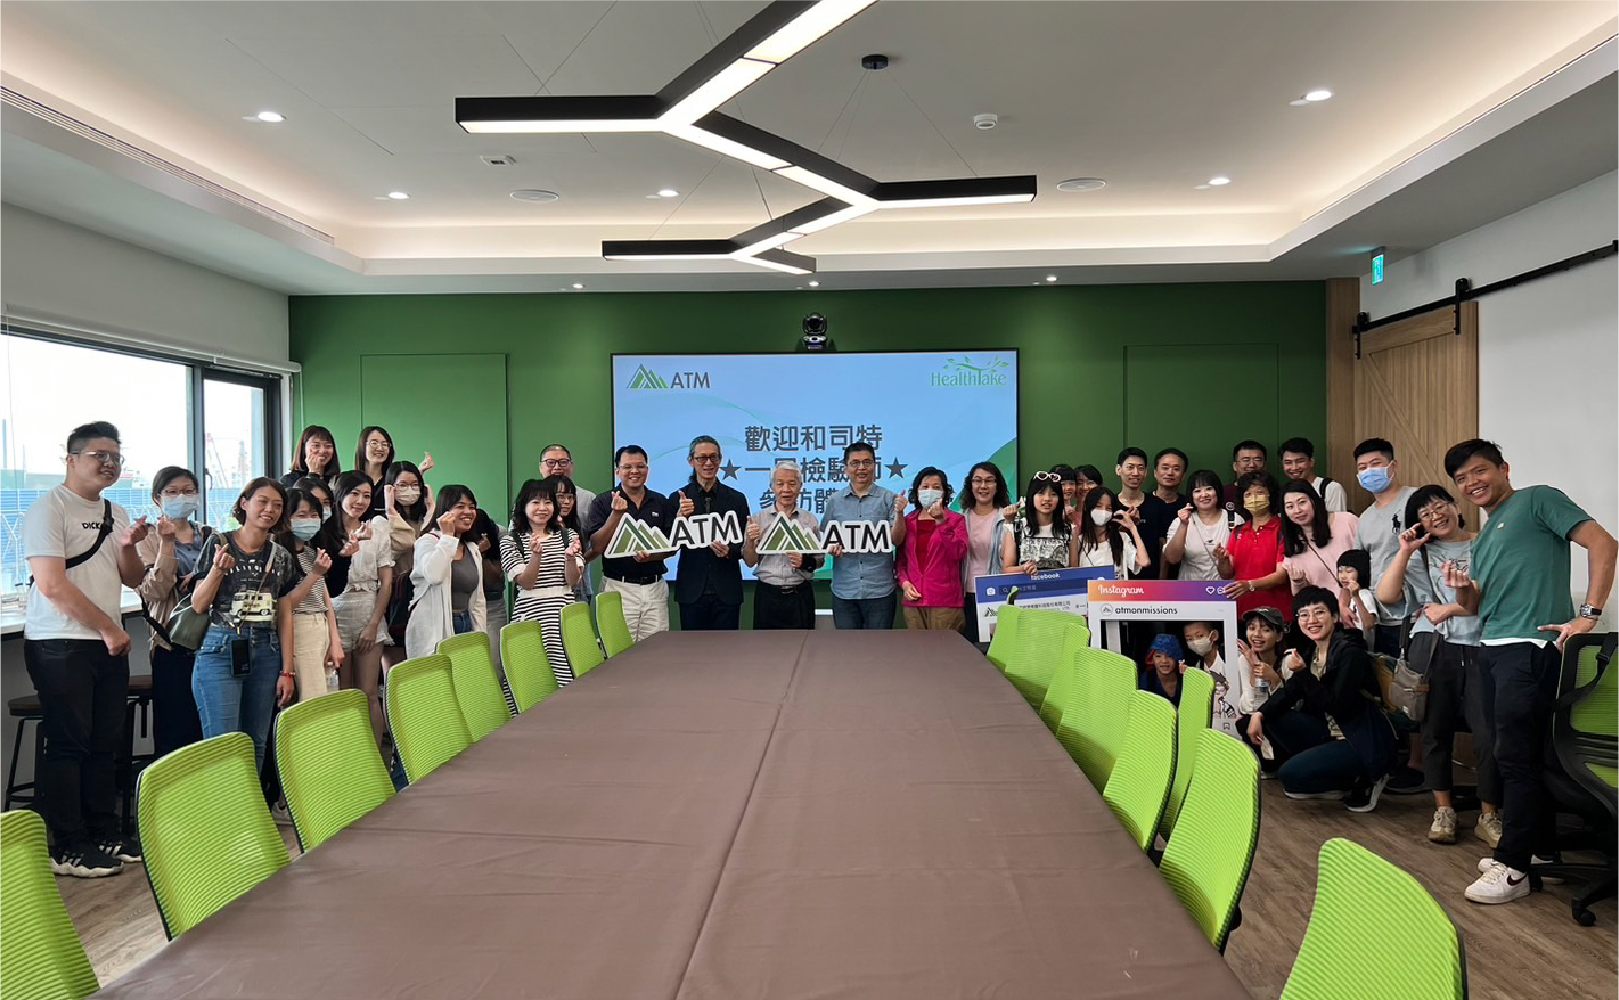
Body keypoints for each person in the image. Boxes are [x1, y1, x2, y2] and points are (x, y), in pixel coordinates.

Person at [1442, 439, 1617, 904]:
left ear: (1504, 468)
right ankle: (1538, 849)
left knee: (1516, 757)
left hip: (1529, 646)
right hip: (1492, 647)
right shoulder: (1484, 536)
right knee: (1516, 755)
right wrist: (1461, 590)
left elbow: (1604, 543)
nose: (1471, 483)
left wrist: (1589, 615)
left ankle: (1514, 867)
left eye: (1479, 471)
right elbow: (1475, 607)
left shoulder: (1538, 499)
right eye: (1461, 479)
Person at [23, 421, 147, 876]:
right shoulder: (48, 509)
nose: (109, 463)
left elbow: (133, 578)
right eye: (99, 455)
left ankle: (104, 832)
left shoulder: (116, 512)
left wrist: (129, 546)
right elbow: (52, 585)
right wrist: (108, 629)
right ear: (71, 460)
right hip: (60, 643)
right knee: (68, 744)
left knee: (103, 743)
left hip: (106, 642)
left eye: (116, 457)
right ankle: (67, 845)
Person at [1376, 485, 1499, 848]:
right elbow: (1386, 596)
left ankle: (1489, 814)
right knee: (1435, 730)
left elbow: (1493, 594)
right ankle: (1444, 810)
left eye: (1439, 506)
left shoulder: (1485, 543)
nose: (1436, 516)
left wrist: (1450, 609)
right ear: (1419, 525)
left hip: (1482, 647)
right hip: (1436, 650)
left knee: (1488, 734)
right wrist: (1405, 551)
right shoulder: (1422, 555)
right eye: (1425, 514)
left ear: (1455, 506)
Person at [190, 478, 324, 773]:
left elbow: (285, 612)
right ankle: (223, 803)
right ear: (244, 503)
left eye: (277, 505)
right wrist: (217, 571)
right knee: (222, 745)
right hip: (221, 648)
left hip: (266, 651)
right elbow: (199, 605)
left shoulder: (281, 556)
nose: (269, 510)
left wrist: (287, 670)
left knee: (256, 743)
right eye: (262, 501)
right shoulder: (219, 544)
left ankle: (251, 802)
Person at [1244, 586, 1396, 812]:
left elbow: (1336, 705)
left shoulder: (1350, 653)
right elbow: (1290, 692)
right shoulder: (1311, 652)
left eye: (1319, 612)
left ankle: (1367, 773)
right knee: (1272, 718)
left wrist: (1303, 673)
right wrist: (1259, 714)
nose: (1311, 620)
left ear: (1334, 617)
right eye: (1304, 615)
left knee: (1290, 776)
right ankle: (1337, 777)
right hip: (1329, 731)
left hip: (1358, 737)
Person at [134, 466, 207, 760]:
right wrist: (166, 545)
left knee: (207, 727)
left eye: (188, 491)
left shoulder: (210, 535)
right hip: (170, 642)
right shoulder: (148, 539)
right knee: (175, 730)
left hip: (211, 642)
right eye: (173, 492)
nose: (182, 497)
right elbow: (153, 591)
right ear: (157, 498)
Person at [320, 472, 392, 747]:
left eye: (366, 496)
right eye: (354, 494)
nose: (360, 501)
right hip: (334, 613)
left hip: (368, 611)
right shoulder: (324, 532)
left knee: (369, 693)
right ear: (340, 494)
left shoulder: (376, 531)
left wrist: (373, 624)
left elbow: (386, 583)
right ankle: (348, 754)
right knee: (342, 693)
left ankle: (374, 756)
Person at [586, 446, 676, 641]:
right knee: (619, 650)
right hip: (618, 587)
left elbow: (672, 547)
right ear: (617, 471)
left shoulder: (660, 501)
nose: (634, 471)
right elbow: (597, 546)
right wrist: (615, 515)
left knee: (657, 648)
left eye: (640, 466)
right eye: (627, 467)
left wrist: (651, 556)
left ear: (647, 470)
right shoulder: (603, 502)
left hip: (655, 588)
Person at [502, 478, 584, 684]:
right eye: (535, 502)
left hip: (564, 616)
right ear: (523, 506)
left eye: (548, 502)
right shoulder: (511, 540)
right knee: (533, 679)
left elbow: (573, 580)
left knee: (569, 675)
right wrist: (536, 556)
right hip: (531, 615)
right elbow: (526, 583)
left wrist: (570, 558)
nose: (542, 508)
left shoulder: (568, 535)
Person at [822, 441, 908, 630]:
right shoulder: (834, 501)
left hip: (880, 590)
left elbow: (897, 540)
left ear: (874, 466)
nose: (861, 468)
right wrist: (832, 548)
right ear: (845, 468)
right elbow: (826, 537)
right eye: (855, 463)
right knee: (847, 646)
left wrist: (899, 513)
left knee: (879, 646)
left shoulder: (888, 498)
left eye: (867, 462)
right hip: (844, 590)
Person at [670, 436, 749, 631]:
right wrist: (679, 518)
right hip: (691, 590)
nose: (708, 463)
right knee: (693, 648)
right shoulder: (678, 498)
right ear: (691, 461)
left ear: (720, 460)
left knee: (728, 647)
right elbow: (668, 545)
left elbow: (746, 545)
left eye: (714, 457)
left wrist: (730, 551)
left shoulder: (736, 499)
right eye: (702, 458)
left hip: (727, 591)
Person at [1351, 438, 1420, 659]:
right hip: (1380, 618)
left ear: (1393, 466)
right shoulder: (1365, 518)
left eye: (1376, 464)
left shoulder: (1416, 500)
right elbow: (1360, 566)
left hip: (1417, 614)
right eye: (1362, 467)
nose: (1369, 471)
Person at [279, 488, 343, 703]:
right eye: (302, 515)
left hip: (321, 625)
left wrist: (335, 640)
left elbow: (326, 601)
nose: (309, 520)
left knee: (328, 696)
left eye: (314, 515)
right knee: (311, 700)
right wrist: (315, 574)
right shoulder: (281, 555)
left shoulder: (312, 552)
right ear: (287, 520)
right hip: (300, 626)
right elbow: (286, 605)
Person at [406, 485, 487, 657]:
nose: (468, 512)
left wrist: (480, 634)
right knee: (439, 673)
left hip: (466, 623)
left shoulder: (471, 548)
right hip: (434, 628)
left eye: (472, 507)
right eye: (460, 506)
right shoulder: (427, 542)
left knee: (466, 673)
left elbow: (478, 600)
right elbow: (434, 576)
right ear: (444, 511)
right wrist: (447, 537)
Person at [744, 462, 823, 630]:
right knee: (765, 645)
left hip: (800, 595)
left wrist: (805, 561)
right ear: (772, 487)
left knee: (803, 643)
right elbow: (749, 562)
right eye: (780, 484)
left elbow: (820, 560)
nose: (786, 489)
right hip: (767, 595)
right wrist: (750, 541)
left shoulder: (810, 520)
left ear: (800, 487)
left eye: (792, 483)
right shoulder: (758, 520)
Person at [895, 467, 969, 632]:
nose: (930, 491)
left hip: (945, 602)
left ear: (944, 493)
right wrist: (905, 584)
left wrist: (942, 523)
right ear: (917, 491)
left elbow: (959, 553)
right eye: (925, 487)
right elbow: (901, 560)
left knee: (944, 648)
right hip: (913, 602)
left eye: (936, 487)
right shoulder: (908, 521)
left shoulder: (956, 520)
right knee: (917, 648)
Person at [1218, 472, 1290, 621]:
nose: (1254, 498)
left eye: (1260, 493)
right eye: (1248, 494)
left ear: (1271, 496)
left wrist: (1250, 585)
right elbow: (1227, 573)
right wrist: (1222, 560)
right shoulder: (1238, 531)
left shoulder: (1283, 529)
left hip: (1277, 614)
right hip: (1244, 613)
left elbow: (1281, 576)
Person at [380, 460, 432, 667]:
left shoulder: (424, 518)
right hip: (396, 599)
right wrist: (390, 510)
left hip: (425, 598)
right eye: (402, 485)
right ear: (390, 488)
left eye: (414, 484)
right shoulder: (382, 521)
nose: (409, 490)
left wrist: (431, 510)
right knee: (397, 666)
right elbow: (409, 542)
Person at [959, 461, 1016, 641]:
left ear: (997, 486)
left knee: (995, 647)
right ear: (970, 485)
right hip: (965, 594)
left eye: (989, 481)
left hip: (996, 594)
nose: (983, 486)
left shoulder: (1008, 517)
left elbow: (1009, 557)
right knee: (969, 648)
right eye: (977, 481)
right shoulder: (960, 518)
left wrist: (1010, 523)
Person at [1277, 481, 1361, 595]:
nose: (1297, 510)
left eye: (1302, 503)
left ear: (1314, 501)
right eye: (1290, 506)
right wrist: (1298, 581)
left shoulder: (1347, 521)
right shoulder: (1294, 543)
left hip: (1359, 600)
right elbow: (1300, 596)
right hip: (1324, 605)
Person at [540, 445, 599, 597]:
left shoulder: (587, 498)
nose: (557, 467)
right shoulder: (528, 498)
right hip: (539, 590)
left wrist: (578, 561)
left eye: (563, 462)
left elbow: (596, 544)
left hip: (577, 588)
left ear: (571, 466)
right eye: (551, 462)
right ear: (541, 467)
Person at [1163, 470, 1236, 583]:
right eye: (1197, 491)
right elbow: (1172, 559)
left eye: (1209, 489)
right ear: (1191, 496)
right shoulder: (1179, 521)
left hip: (1224, 589)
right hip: (1189, 590)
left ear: (1217, 491)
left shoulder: (1234, 520)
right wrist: (1183, 525)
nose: (1204, 494)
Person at [1184, 619, 1249, 738]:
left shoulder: (1234, 657)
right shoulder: (1197, 667)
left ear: (1214, 635)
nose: (1195, 642)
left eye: (1199, 636)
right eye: (1189, 639)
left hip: (1239, 727)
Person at [356, 426, 434, 521]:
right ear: (362, 446)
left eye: (385, 444)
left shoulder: (393, 480)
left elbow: (411, 507)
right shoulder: (352, 480)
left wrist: (419, 473)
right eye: (374, 443)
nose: (380, 448)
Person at [1002, 472, 1071, 573]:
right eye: (1041, 493)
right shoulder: (1017, 528)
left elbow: (1075, 571)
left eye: (1053, 494)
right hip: (1026, 583)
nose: (1047, 498)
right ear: (1031, 497)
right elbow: (1007, 569)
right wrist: (1023, 569)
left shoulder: (1069, 530)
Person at [1074, 487, 1149, 579]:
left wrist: (1133, 528)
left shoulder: (1121, 538)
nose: (1103, 511)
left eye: (1108, 508)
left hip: (1115, 588)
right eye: (1098, 506)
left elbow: (1144, 562)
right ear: (1087, 507)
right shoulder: (1078, 542)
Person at [466, 510, 507, 676]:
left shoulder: (499, 534)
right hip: (464, 608)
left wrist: (481, 555)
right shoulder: (453, 535)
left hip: (492, 605)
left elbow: (493, 579)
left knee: (495, 661)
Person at [1138, 448, 1188, 579]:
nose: (1170, 473)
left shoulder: (1189, 506)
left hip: (1183, 576)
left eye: (1176, 469)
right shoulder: (1143, 504)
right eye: (1165, 468)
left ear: (1183, 475)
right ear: (1155, 472)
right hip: (1146, 575)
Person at [550, 474, 594, 603]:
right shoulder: (537, 528)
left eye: (570, 497)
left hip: (575, 592)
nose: (567, 502)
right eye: (560, 496)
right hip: (548, 596)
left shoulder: (574, 526)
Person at [1279, 436, 1346, 514]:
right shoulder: (1284, 492)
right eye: (1288, 463)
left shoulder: (1331, 489)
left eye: (1300, 461)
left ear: (1311, 462)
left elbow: (1339, 520)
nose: (1294, 468)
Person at [1335, 549, 1376, 642]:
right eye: (1340, 571)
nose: (1343, 576)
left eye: (1349, 571)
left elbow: (1369, 624)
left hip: (1363, 645)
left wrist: (1356, 597)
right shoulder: (1344, 597)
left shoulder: (1365, 594)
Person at [1139, 634, 1185, 705]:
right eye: (1158, 656)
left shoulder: (1185, 679)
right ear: (1152, 659)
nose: (1164, 661)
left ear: (1177, 658)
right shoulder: (1147, 680)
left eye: (1169, 655)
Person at [1224, 441, 1268, 505]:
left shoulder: (1275, 492)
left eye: (1257, 460)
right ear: (1235, 466)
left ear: (1265, 465)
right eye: (1246, 460)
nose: (1252, 465)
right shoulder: (1223, 493)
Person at [1114, 447, 1150, 523]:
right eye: (1130, 467)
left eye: (1140, 468)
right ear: (1118, 470)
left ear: (1145, 472)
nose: (1136, 473)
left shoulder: (1158, 505)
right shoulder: (1110, 504)